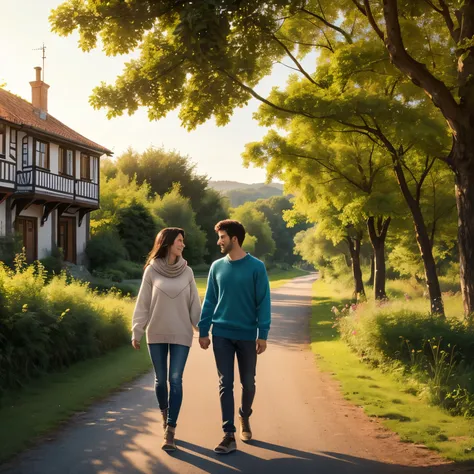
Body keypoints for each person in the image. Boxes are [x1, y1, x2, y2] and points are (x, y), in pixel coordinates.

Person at [198, 219, 271, 454]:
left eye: (222, 237)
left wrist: (263, 334)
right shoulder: (216, 267)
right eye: (219, 237)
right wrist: (203, 330)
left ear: (234, 239)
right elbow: (209, 300)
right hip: (221, 334)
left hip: (248, 335)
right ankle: (228, 434)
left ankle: (244, 415)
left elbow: (264, 302)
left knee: (248, 383)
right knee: (225, 384)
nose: (218, 241)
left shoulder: (256, 267)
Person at [131, 227, 201, 452]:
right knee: (161, 381)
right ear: (168, 243)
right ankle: (165, 416)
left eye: (183, 241)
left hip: (181, 333)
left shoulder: (187, 272)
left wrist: (204, 331)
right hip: (156, 333)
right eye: (180, 240)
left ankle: (170, 429)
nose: (183, 244)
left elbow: (194, 305)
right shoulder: (152, 271)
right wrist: (137, 330)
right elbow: (143, 303)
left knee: (176, 378)